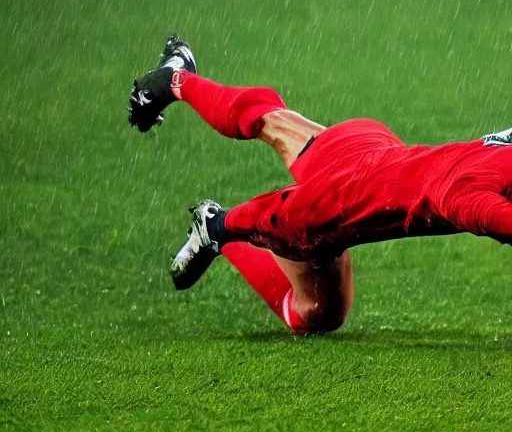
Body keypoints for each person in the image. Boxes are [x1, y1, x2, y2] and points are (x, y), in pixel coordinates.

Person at [128, 36, 512, 335]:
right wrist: (228, 226)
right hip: (326, 209)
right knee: (318, 313)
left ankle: (176, 79)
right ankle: (215, 228)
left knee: (271, 121)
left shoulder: (500, 154)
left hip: (367, 147)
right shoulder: (469, 197)